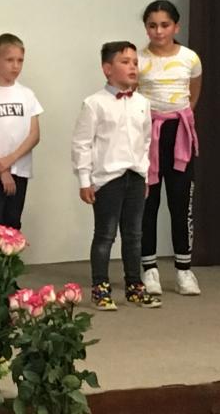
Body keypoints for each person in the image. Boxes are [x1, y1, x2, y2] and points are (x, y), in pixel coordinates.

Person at [72, 41, 161, 311]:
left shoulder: (143, 103)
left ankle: (134, 286)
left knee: (134, 235)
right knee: (105, 235)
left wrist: (145, 174)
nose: (132, 67)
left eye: (134, 62)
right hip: (107, 178)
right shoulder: (94, 103)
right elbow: (82, 144)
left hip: (135, 175)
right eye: (125, 62)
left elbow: (146, 141)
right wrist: (85, 180)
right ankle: (100, 287)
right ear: (107, 69)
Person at [137, 0, 202, 296]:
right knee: (147, 203)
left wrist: (181, 117)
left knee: (180, 202)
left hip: (178, 135)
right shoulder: (138, 59)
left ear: (176, 26)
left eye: (165, 25)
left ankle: (184, 270)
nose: (159, 31)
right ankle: (149, 268)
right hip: (148, 134)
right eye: (152, 25)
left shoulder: (190, 58)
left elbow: (193, 91)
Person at [0, 33, 43, 229]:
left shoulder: (27, 94)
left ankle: (11, 252)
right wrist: (1, 169)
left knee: (13, 221)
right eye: (10, 60)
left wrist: (10, 160)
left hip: (20, 169)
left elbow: (34, 135)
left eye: (20, 60)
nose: (15, 66)